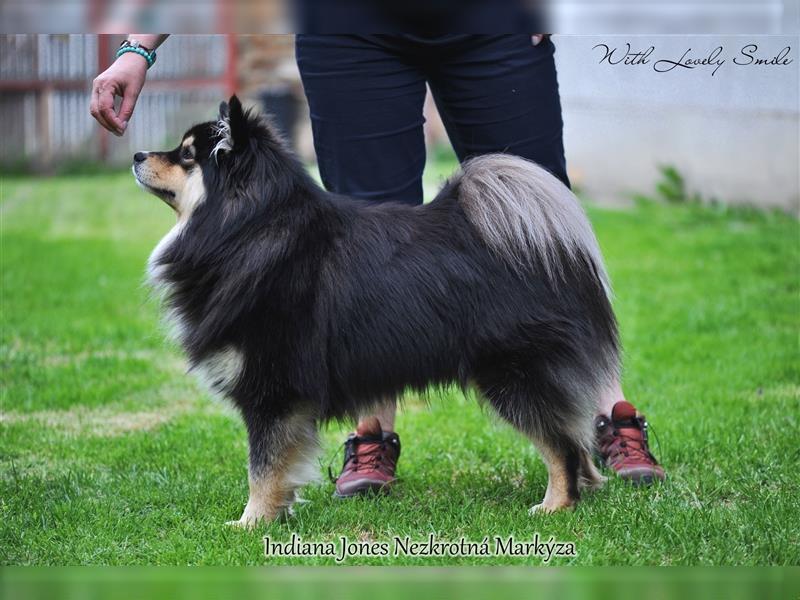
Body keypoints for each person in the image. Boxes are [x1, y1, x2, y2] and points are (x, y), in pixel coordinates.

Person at [91, 33, 665, 499]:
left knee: (538, 215)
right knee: (367, 214)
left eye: (184, 160)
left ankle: (600, 420)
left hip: (491, 19)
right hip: (351, 26)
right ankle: (372, 434)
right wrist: (139, 46)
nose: (159, 162)